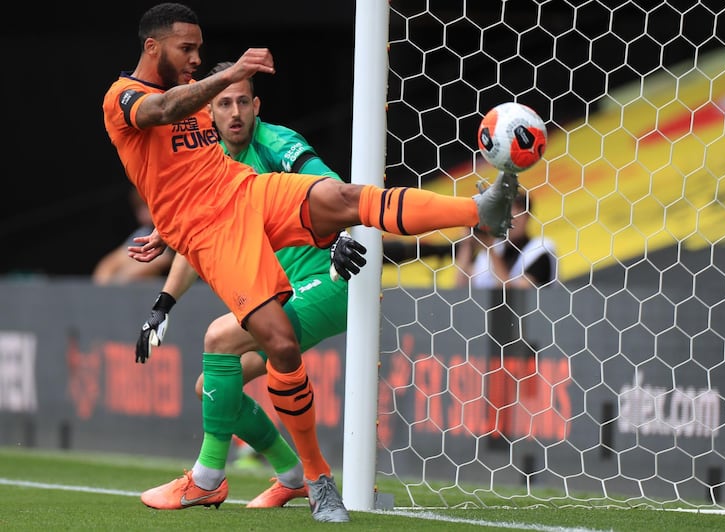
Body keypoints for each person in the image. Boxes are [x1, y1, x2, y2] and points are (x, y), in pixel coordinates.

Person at [103, 2, 517, 522]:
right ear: (151, 47)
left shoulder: (264, 139)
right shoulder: (124, 98)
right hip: (217, 234)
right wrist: (170, 245)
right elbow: (161, 122)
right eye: (187, 50)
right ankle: (307, 478)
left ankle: (480, 211)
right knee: (269, 344)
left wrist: (169, 224)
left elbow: (194, 177)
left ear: (256, 106)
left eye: (201, 53)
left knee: (345, 197)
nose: (196, 59)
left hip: (249, 195)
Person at [134, 60, 357, 510]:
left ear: (257, 106)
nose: (234, 112)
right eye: (223, 104)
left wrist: (342, 234)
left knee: (219, 337)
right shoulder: (210, 165)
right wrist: (162, 305)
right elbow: (198, 241)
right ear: (208, 113)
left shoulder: (275, 142)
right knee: (212, 389)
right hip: (283, 295)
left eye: (242, 102)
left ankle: (214, 478)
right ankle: (291, 475)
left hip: (330, 281)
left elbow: (328, 182)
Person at [455, 192, 557, 288]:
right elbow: (461, 287)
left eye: (516, 217)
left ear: (528, 216)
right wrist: (468, 242)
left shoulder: (540, 249)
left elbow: (515, 296)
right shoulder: (490, 253)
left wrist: (490, 248)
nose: (511, 222)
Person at [92, 187, 174, 285]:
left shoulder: (174, 228)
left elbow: (162, 260)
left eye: (146, 206)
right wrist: (103, 288)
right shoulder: (145, 231)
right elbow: (112, 262)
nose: (142, 214)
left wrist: (119, 281)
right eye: (138, 208)